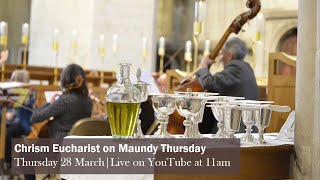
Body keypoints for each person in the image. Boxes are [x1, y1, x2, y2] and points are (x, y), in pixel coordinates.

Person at [195, 37, 258, 133]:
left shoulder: (235, 68)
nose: (220, 58)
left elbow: (209, 82)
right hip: (244, 127)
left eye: (222, 54)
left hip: (235, 129)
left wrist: (204, 65)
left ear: (230, 55)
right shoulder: (246, 67)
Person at [31, 64, 93, 138]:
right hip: (80, 145)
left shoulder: (65, 100)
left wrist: (49, 103)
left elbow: (35, 118)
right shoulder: (88, 101)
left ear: (64, 80)